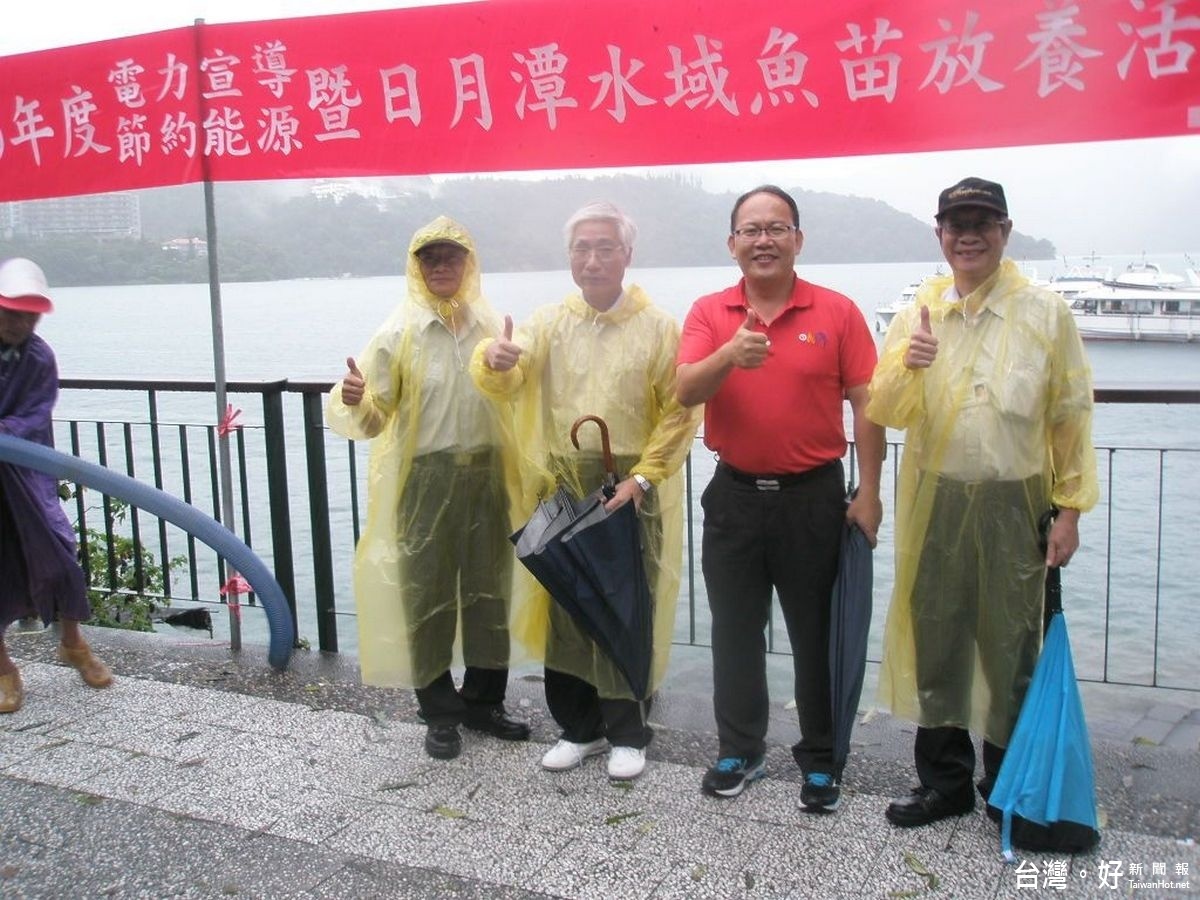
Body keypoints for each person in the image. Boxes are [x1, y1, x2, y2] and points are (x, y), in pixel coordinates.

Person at [867, 177, 1098, 827]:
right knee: (938, 638)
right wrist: (908, 363)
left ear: (1005, 231)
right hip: (936, 497)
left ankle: (1009, 785)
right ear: (939, 234)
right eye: (955, 224)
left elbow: (1071, 415)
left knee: (1012, 646)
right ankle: (945, 783)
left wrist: (1071, 509)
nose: (968, 234)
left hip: (1017, 502)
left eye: (983, 223)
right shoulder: (924, 308)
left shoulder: (1044, 313)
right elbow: (886, 410)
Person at [471, 201, 700, 781]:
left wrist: (643, 475)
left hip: (628, 484)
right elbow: (510, 374)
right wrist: (494, 361)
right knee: (568, 604)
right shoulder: (547, 323)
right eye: (581, 248)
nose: (592, 259)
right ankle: (578, 727)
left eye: (604, 247)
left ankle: (628, 731)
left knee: (626, 604)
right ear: (569, 256)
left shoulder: (658, 327)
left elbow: (679, 412)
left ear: (627, 254)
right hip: (564, 478)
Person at [675, 185, 884, 811]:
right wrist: (729, 356)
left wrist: (870, 492)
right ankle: (740, 749)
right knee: (734, 632)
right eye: (751, 230)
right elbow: (684, 389)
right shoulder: (710, 312)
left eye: (776, 228)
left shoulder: (837, 311)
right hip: (735, 497)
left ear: (798, 238)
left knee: (816, 635)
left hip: (813, 498)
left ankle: (821, 761)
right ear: (732, 243)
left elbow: (868, 403)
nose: (763, 239)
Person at [325, 216, 529, 761]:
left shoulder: (492, 325)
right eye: (430, 258)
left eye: (451, 257)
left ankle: (485, 701)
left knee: (490, 590)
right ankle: (439, 711)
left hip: (488, 472)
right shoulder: (399, 332)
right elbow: (374, 418)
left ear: (468, 264)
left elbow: (519, 398)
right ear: (416, 267)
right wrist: (353, 399)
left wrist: (512, 369)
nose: (441, 267)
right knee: (427, 593)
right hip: (427, 476)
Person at [0, 257, 114, 713]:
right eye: (11, 312)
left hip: (25, 471)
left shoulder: (40, 357)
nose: (21, 322)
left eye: (30, 314)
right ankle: (4, 669)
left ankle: (72, 642)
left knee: (59, 552)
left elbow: (33, 414)